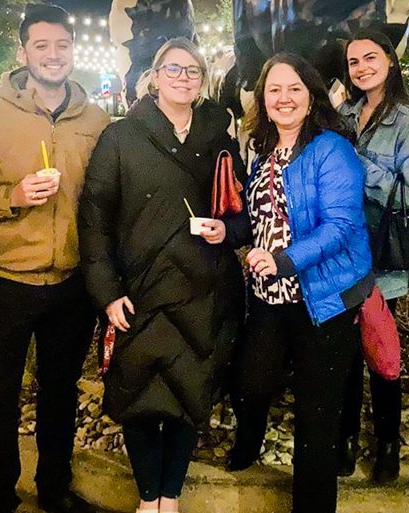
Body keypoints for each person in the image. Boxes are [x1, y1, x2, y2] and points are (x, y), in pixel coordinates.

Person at [78, 38, 249, 513]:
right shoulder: (121, 136)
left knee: (187, 395)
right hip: (138, 292)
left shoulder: (218, 135)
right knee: (137, 393)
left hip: (202, 289)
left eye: (192, 71)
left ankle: (170, 497)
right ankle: (147, 497)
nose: (183, 78)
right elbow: (94, 218)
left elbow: (242, 208)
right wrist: (107, 293)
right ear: (153, 76)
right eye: (172, 69)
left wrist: (227, 230)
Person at [0, 3, 110, 513]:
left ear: (74, 50)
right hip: (5, 279)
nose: (53, 55)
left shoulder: (96, 120)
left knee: (60, 392)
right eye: (41, 45)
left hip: (72, 281)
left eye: (63, 45)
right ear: (23, 52)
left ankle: (54, 490)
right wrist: (13, 196)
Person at [226, 53, 374, 513]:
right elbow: (261, 218)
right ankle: (248, 446)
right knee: (252, 380)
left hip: (324, 297)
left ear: (311, 97)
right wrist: (231, 235)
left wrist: (285, 259)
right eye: (274, 89)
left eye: (294, 88)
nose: (284, 97)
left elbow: (341, 225)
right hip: (270, 296)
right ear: (262, 99)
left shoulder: (332, 149)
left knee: (316, 414)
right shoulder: (263, 151)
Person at [336, 29, 409, 482]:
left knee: (381, 347)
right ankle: (348, 439)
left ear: (390, 61)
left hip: (382, 253)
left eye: (370, 58)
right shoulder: (345, 113)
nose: (361, 68)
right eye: (354, 62)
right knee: (346, 353)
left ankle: (388, 446)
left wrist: (356, 163)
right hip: (342, 249)